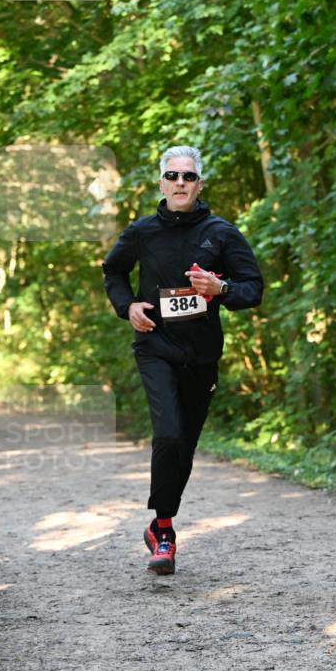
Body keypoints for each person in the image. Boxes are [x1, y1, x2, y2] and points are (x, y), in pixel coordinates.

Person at [102, 145, 263, 575]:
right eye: (172, 176)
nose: (179, 183)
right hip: (155, 346)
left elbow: (253, 288)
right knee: (169, 435)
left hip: (202, 355)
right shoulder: (142, 231)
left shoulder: (221, 233)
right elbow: (112, 272)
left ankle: (157, 525)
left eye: (188, 177)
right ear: (160, 183)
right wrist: (128, 307)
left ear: (199, 184)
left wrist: (220, 289)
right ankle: (167, 532)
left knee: (185, 447)